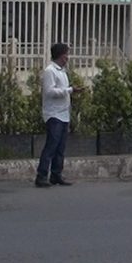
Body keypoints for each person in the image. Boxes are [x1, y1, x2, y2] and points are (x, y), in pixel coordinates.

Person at [36, 43, 79, 187]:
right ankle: (42, 175)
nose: (68, 57)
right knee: (51, 145)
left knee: (60, 147)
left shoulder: (62, 71)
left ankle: (56, 174)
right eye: (66, 54)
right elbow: (49, 91)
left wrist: (70, 90)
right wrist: (69, 90)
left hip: (64, 113)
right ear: (61, 55)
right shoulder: (50, 71)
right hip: (53, 114)